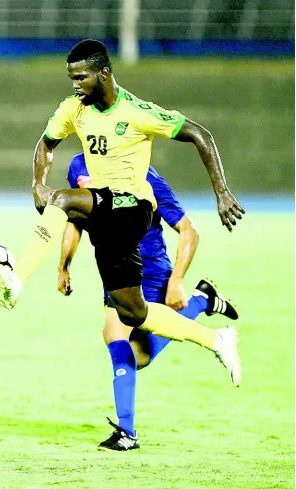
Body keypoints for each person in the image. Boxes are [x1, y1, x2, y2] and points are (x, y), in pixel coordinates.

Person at [0, 39, 244, 428]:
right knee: (134, 314)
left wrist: (222, 191)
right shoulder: (73, 109)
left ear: (104, 74)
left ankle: (17, 280)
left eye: (82, 77)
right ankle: (217, 340)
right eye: (71, 78)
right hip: (108, 224)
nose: (75, 85)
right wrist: (37, 182)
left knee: (64, 200)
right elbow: (46, 143)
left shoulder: (138, 112)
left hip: (134, 209)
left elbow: (200, 134)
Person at [58, 152, 239, 451]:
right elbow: (76, 219)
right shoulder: (79, 165)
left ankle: (126, 433)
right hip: (114, 267)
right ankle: (202, 300)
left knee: (117, 337)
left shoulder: (144, 174)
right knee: (137, 356)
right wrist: (63, 265)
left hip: (150, 270)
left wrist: (177, 280)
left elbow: (188, 230)